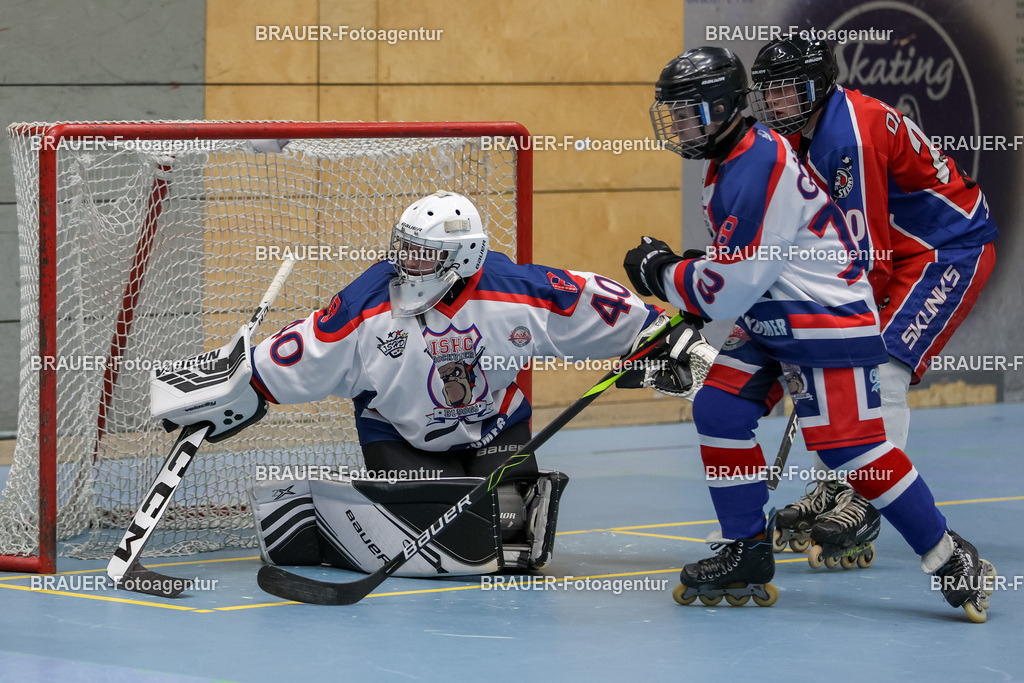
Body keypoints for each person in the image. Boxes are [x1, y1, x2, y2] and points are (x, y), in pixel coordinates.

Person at [153, 190, 702, 578]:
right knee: (442, 551)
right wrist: (239, 388)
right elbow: (301, 349)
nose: (405, 262)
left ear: (462, 257)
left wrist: (661, 337)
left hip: (496, 428)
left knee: (511, 553)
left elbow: (601, 303)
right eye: (404, 248)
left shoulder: (518, 291)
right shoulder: (368, 302)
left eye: (422, 254)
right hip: (399, 434)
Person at [623, 46, 994, 620]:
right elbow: (742, 264)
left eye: (686, 112)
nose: (676, 125)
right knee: (719, 408)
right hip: (778, 309)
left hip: (832, 309)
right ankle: (746, 548)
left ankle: (947, 554)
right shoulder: (731, 155)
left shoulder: (794, 152)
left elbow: (736, 286)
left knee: (850, 444)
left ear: (720, 108)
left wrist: (667, 275)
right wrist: (699, 278)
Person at [747, 37, 997, 556]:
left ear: (818, 86)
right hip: (899, 252)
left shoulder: (848, 140)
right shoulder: (803, 131)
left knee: (882, 366)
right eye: (769, 92)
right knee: (833, 365)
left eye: (789, 90)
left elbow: (867, 260)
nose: (776, 103)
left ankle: (866, 498)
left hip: (945, 249)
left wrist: (832, 325)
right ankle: (836, 485)